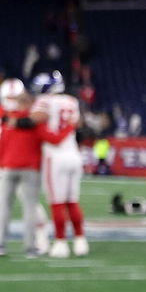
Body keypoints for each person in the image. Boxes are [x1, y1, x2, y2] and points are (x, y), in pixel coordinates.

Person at [0, 78, 47, 257]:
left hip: (14, 165)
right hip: (9, 164)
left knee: (24, 206)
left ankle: (37, 241)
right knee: (5, 205)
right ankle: (3, 243)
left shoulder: (31, 114)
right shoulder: (5, 113)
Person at [29, 70, 89, 257]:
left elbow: (37, 123)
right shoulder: (72, 101)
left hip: (55, 156)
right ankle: (80, 241)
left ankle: (61, 242)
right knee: (73, 201)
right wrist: (70, 126)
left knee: (57, 203)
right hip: (74, 154)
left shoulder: (45, 102)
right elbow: (76, 123)